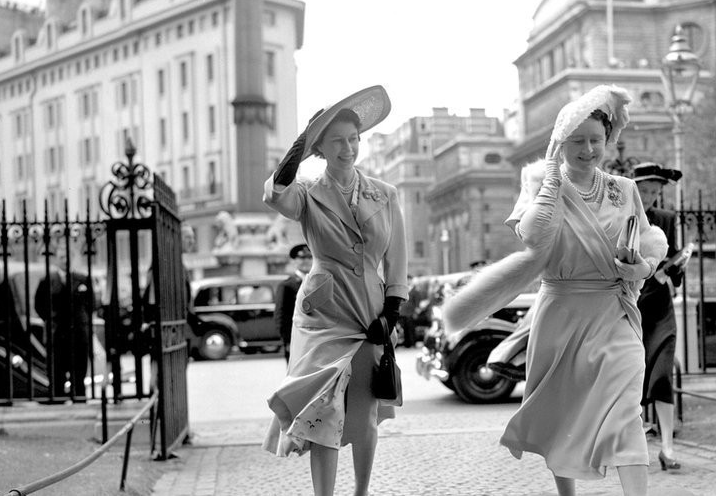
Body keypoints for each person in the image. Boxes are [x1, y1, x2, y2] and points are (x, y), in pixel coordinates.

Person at [443, 84, 668, 496]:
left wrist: (641, 265)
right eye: (576, 141)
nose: (587, 150)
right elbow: (532, 235)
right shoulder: (540, 183)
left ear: (609, 140)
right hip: (561, 313)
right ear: (560, 144)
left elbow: (649, 243)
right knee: (561, 412)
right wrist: (549, 177)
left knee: (625, 411)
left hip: (614, 311)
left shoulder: (625, 189)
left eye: (595, 141)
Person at [261, 85, 408, 496]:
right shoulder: (307, 193)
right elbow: (274, 194)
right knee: (321, 412)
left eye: (354, 139)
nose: (348, 148)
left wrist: (391, 314)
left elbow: (398, 263)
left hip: (369, 312)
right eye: (338, 141)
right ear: (321, 149)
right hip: (322, 313)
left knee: (364, 414)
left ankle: (361, 492)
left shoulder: (386, 193)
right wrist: (300, 143)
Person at [632, 161, 688, 471]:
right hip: (632, 309)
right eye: (644, 190)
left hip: (662, 309)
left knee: (664, 374)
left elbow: (674, 259)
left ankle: (667, 447)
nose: (651, 196)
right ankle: (631, 445)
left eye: (655, 191)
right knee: (632, 379)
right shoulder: (622, 219)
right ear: (634, 189)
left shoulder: (668, 219)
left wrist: (676, 268)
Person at [35, 248, 95, 403]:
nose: (65, 260)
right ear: (56, 259)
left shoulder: (83, 279)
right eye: (62, 257)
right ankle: (57, 402)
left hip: (78, 335)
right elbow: (39, 306)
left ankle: (79, 402)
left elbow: (91, 304)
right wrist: (52, 320)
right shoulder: (47, 281)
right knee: (56, 375)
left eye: (68, 257)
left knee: (79, 375)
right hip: (57, 336)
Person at [276, 244, 312, 363]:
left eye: (309, 257)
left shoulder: (320, 282)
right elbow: (281, 316)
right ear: (294, 261)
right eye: (302, 258)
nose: (306, 261)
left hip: (316, 338)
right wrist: (287, 340)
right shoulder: (287, 285)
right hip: (296, 338)